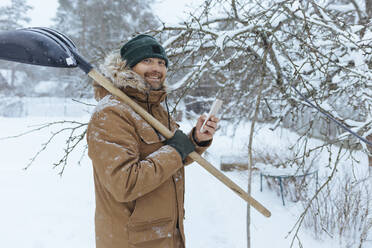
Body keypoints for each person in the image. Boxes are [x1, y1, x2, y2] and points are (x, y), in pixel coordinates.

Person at [86, 34, 219, 248]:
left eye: (161, 62)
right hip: (131, 241)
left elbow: (172, 158)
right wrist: (176, 151)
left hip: (166, 235)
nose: (156, 68)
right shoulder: (111, 113)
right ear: (126, 67)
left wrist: (195, 140)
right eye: (146, 61)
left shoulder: (156, 110)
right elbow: (124, 183)